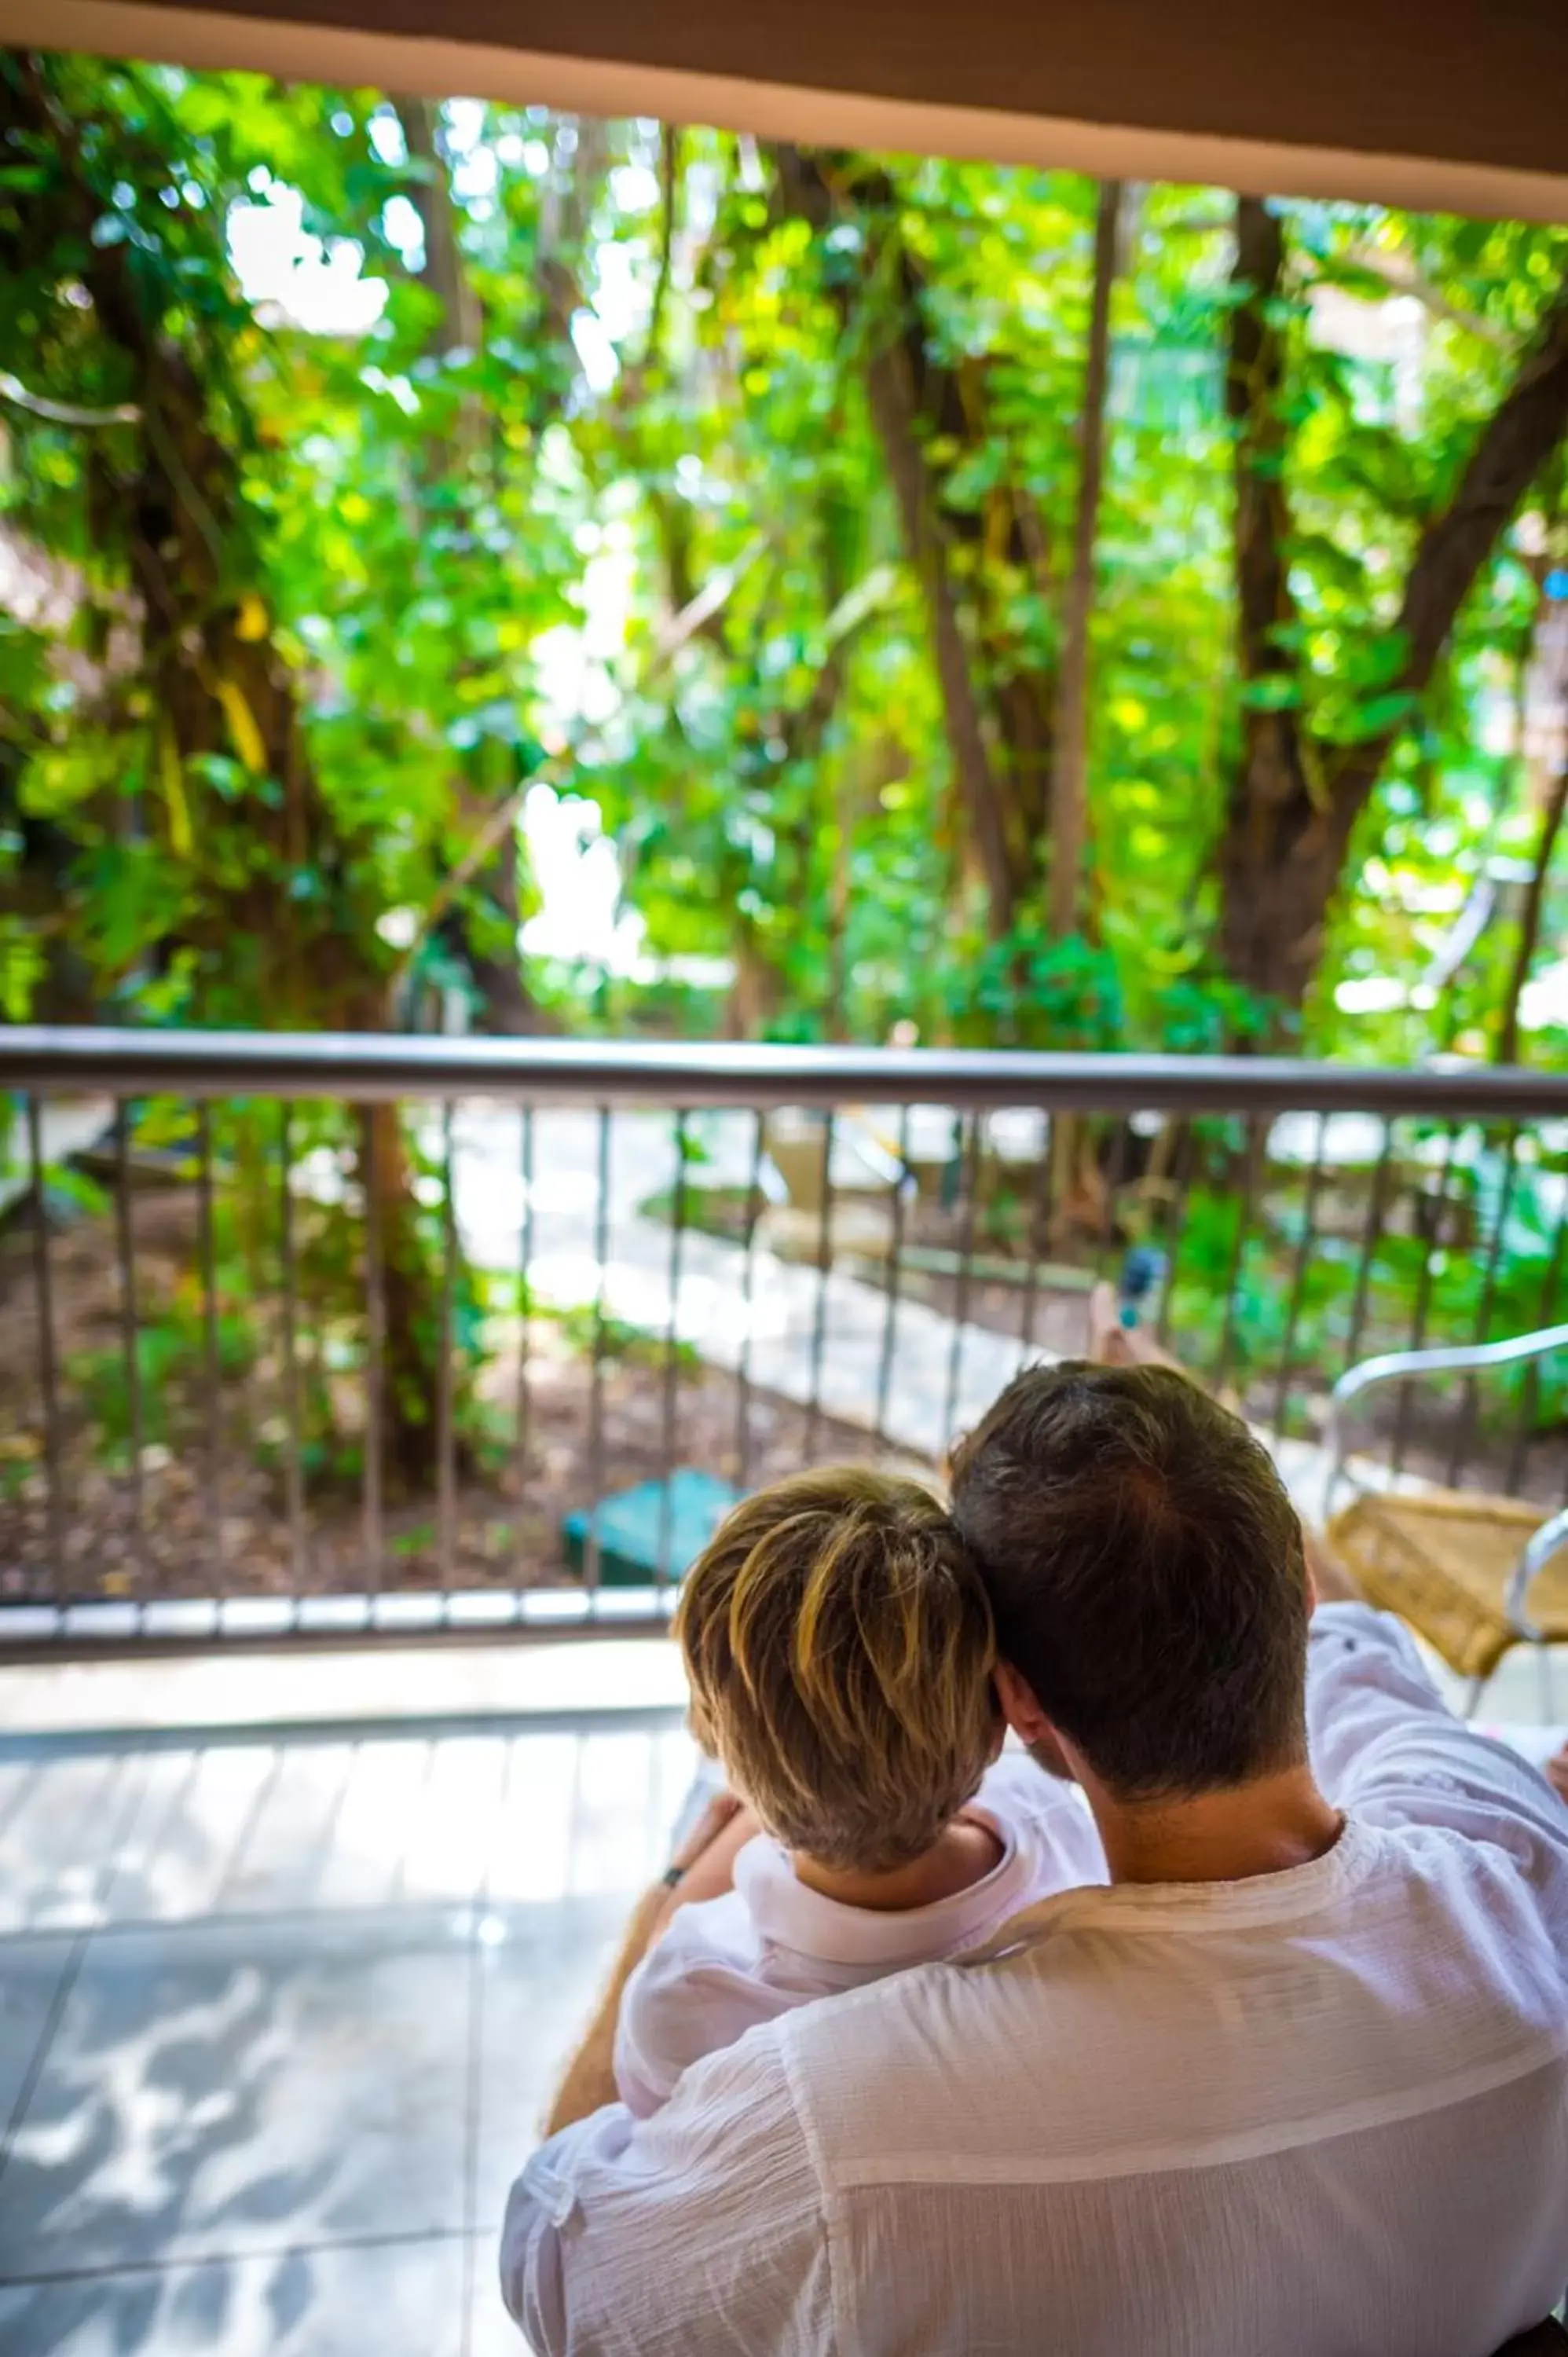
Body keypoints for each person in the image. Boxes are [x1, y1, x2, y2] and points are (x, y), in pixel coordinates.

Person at [501, 1312, 1568, 2357]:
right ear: (1293, 1587)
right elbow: (1356, 1658)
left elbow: (562, 2273)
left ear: (1017, 1703)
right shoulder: (1513, 1865)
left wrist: (675, 1893)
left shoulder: (838, 2133)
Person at [613, 1466, 1105, 2117]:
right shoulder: (1069, 1839)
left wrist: (672, 1891)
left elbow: (632, 2145)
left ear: (724, 1754)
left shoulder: (689, 1991)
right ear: (997, 1726)